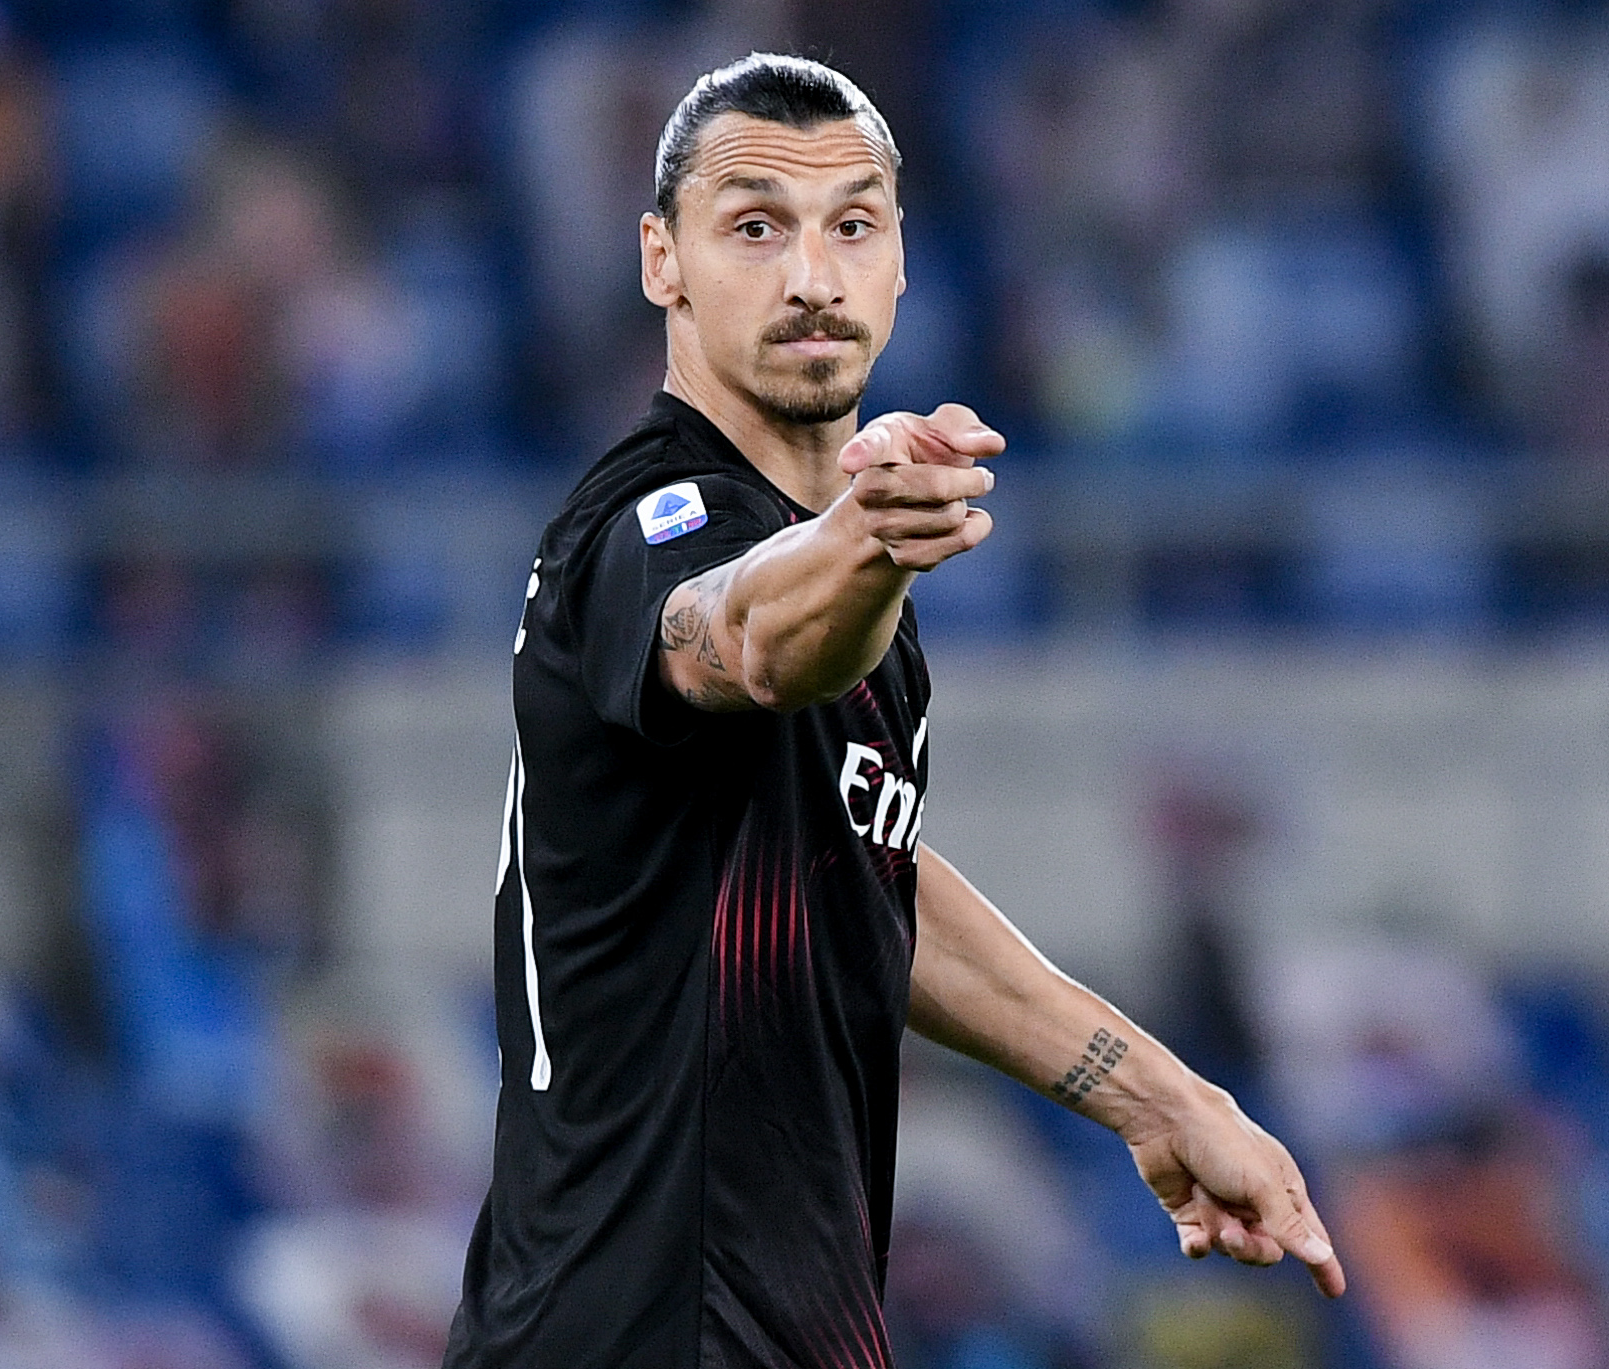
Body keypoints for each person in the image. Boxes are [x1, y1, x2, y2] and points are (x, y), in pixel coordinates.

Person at [444, 53, 1346, 1369]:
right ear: (662, 261)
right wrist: (863, 544)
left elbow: (866, 879)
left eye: (852, 225)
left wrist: (1160, 1097)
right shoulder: (644, 523)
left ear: (903, 262)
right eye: (756, 227)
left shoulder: (844, 567)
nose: (812, 276)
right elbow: (748, 635)